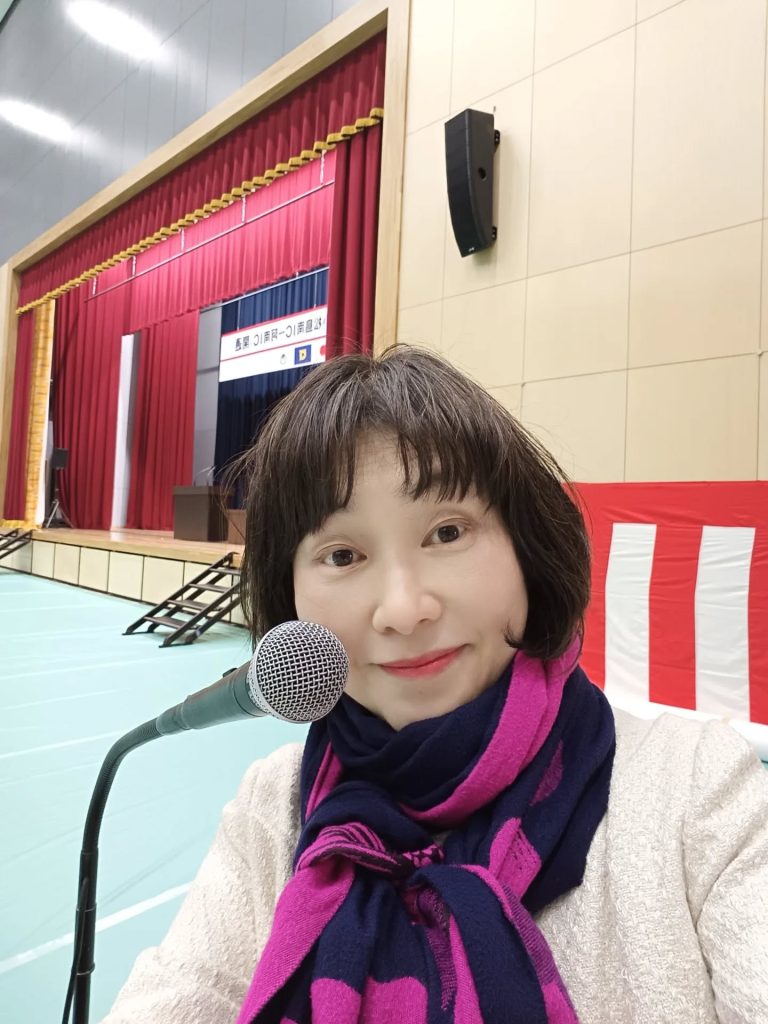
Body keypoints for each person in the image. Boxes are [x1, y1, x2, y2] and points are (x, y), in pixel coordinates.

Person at [104, 346, 768, 1024]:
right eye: (342, 555)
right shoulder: (274, 804)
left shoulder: (698, 789)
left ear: (527, 547)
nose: (403, 610)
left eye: (447, 532)